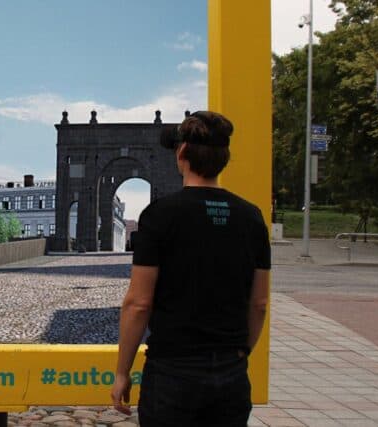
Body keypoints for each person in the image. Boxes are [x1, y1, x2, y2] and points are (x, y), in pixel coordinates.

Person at [110, 111, 271, 425]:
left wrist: (121, 372)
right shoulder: (251, 217)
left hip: (172, 371)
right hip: (230, 374)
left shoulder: (160, 215)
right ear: (224, 157)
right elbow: (260, 303)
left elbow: (139, 303)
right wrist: (240, 355)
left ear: (181, 153)